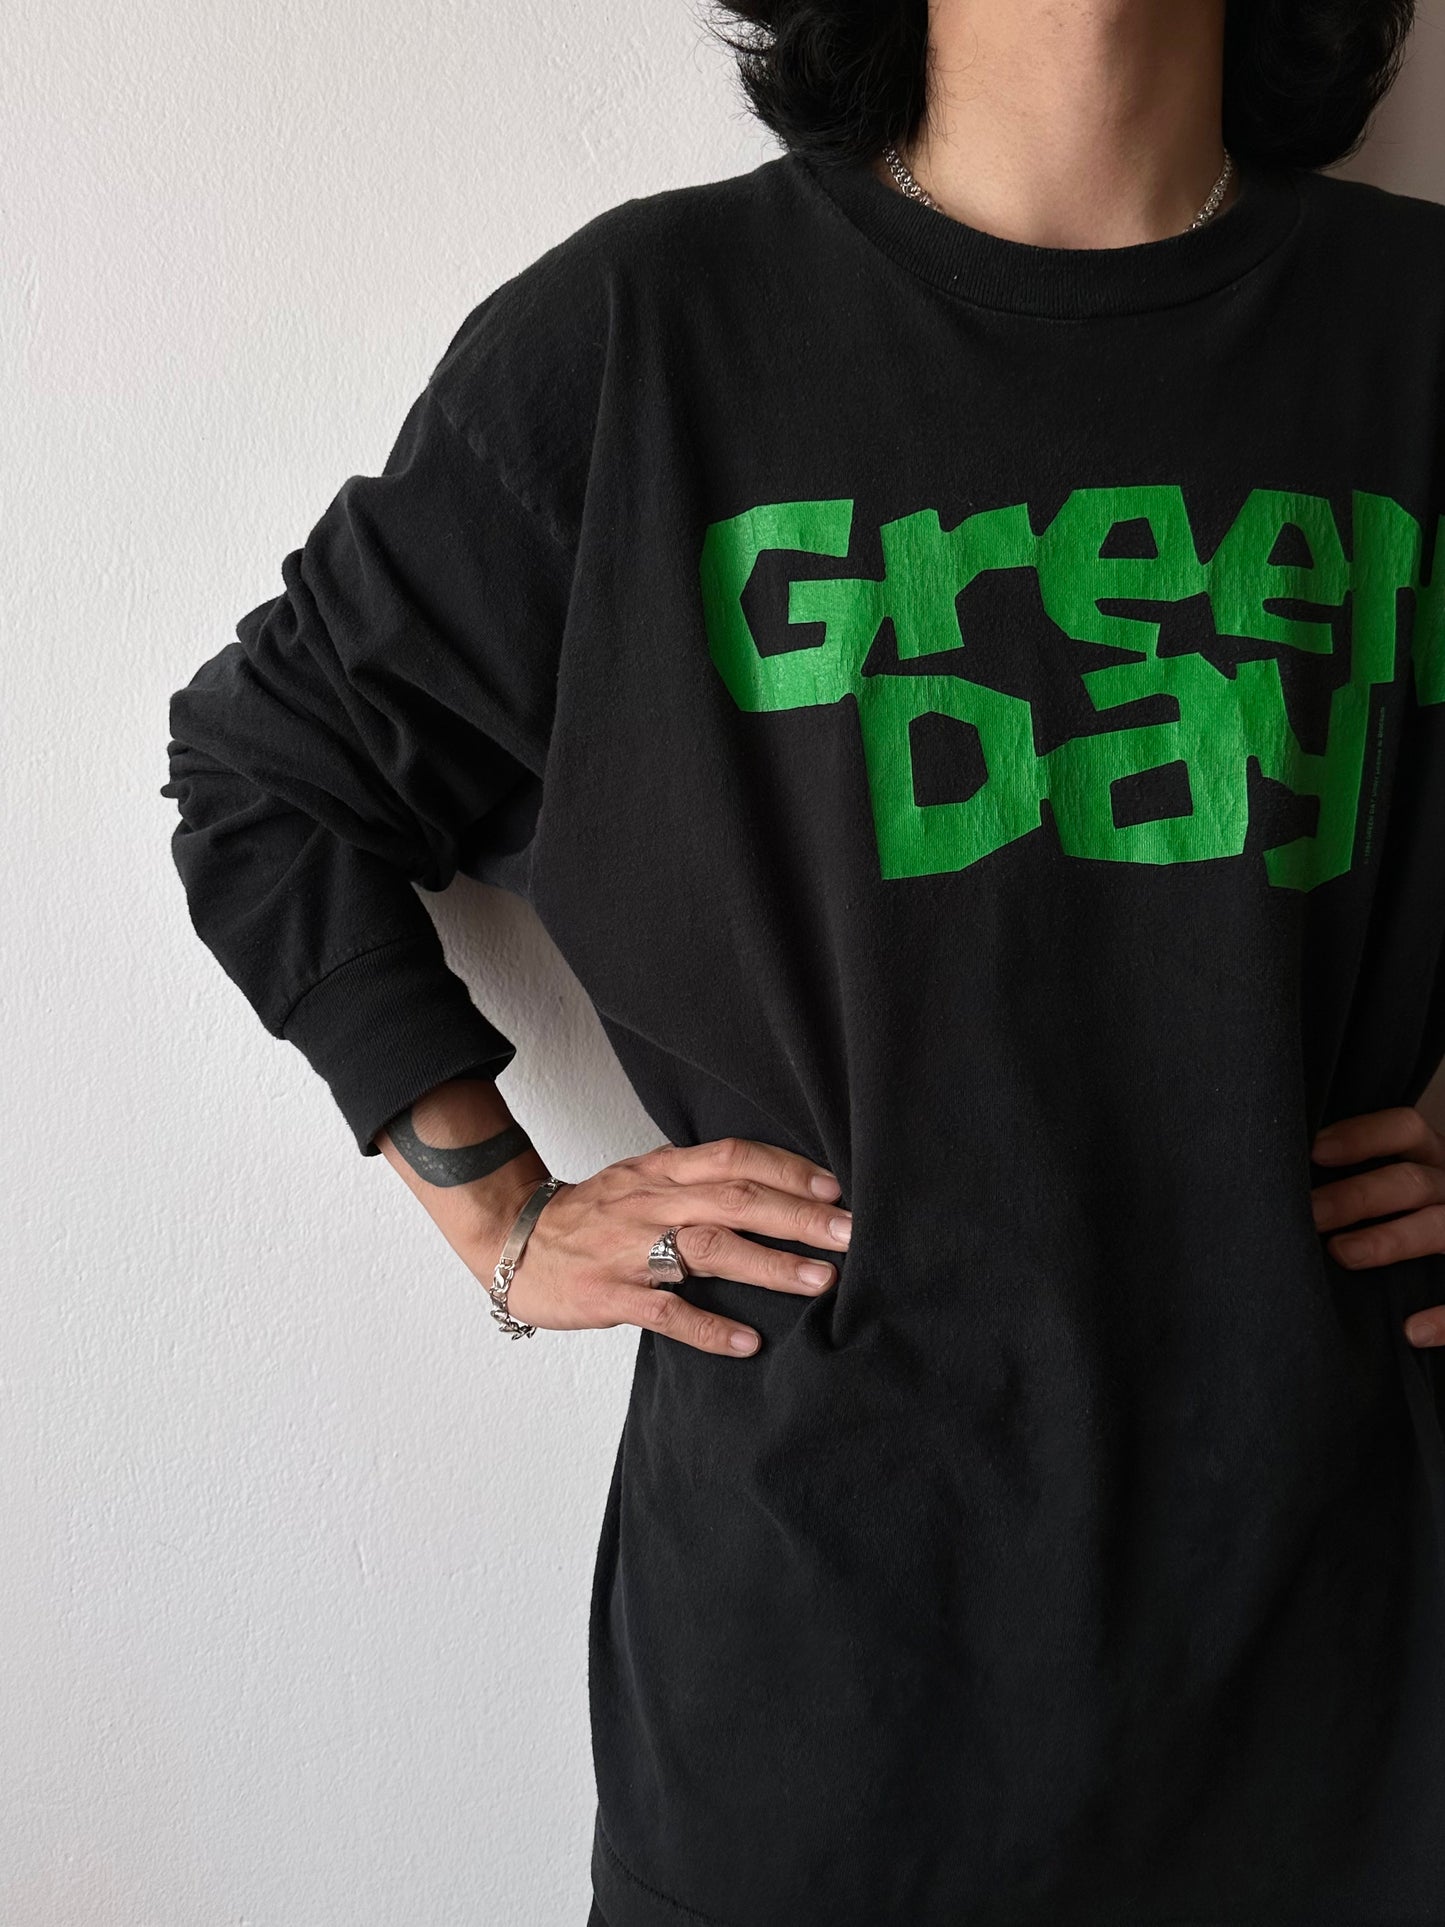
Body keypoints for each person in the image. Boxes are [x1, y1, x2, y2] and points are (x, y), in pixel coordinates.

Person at [160, 0, 1445, 1919]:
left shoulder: (1417, 326)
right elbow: (270, 774)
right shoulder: (647, 336)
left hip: (1347, 1666)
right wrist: (503, 1217)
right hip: (820, 1680)